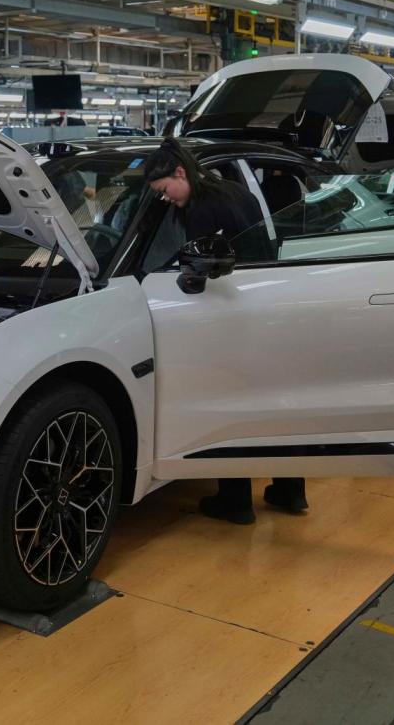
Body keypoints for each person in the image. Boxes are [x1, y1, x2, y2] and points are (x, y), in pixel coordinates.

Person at [143, 139, 306, 524]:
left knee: (228, 406)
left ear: (180, 172)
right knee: (270, 406)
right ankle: (290, 491)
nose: (165, 199)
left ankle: (235, 501)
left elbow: (198, 271)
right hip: (263, 306)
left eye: (164, 190)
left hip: (227, 318)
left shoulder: (201, 210)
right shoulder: (235, 191)